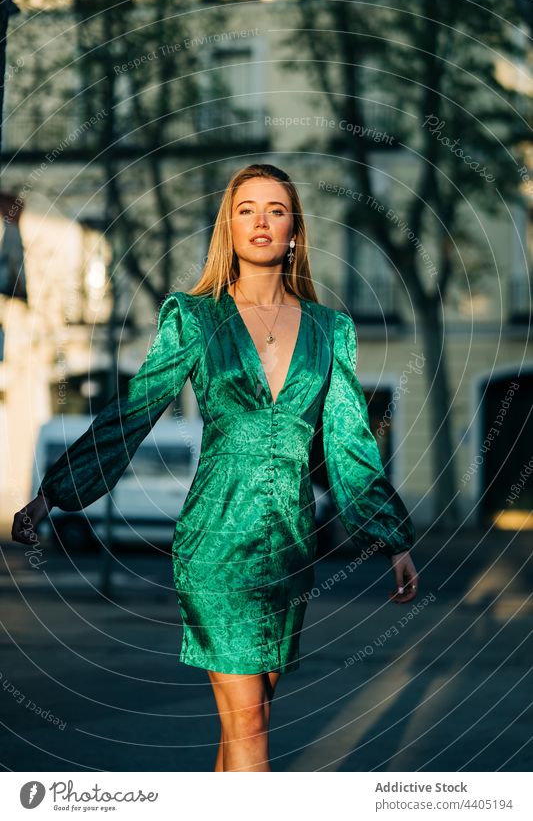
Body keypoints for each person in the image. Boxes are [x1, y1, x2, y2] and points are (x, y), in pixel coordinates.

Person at [12, 162, 419, 772]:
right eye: (246, 209)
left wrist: (393, 539)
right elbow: (136, 409)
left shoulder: (331, 331)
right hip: (216, 542)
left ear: (295, 231)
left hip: (289, 546)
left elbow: (350, 443)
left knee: (245, 727)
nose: (261, 221)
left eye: (276, 210)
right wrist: (56, 491)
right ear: (228, 227)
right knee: (250, 723)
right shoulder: (195, 317)